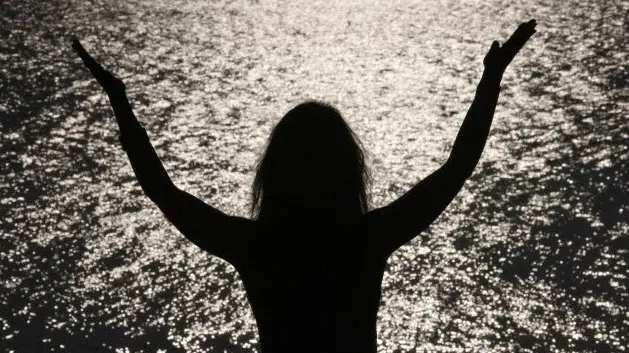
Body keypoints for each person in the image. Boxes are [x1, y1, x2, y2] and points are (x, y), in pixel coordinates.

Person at [71, 18, 537, 353]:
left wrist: (120, 103)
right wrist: (490, 81)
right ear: (346, 170)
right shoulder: (366, 239)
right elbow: (455, 170)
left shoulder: (256, 247)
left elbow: (162, 190)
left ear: (275, 172)